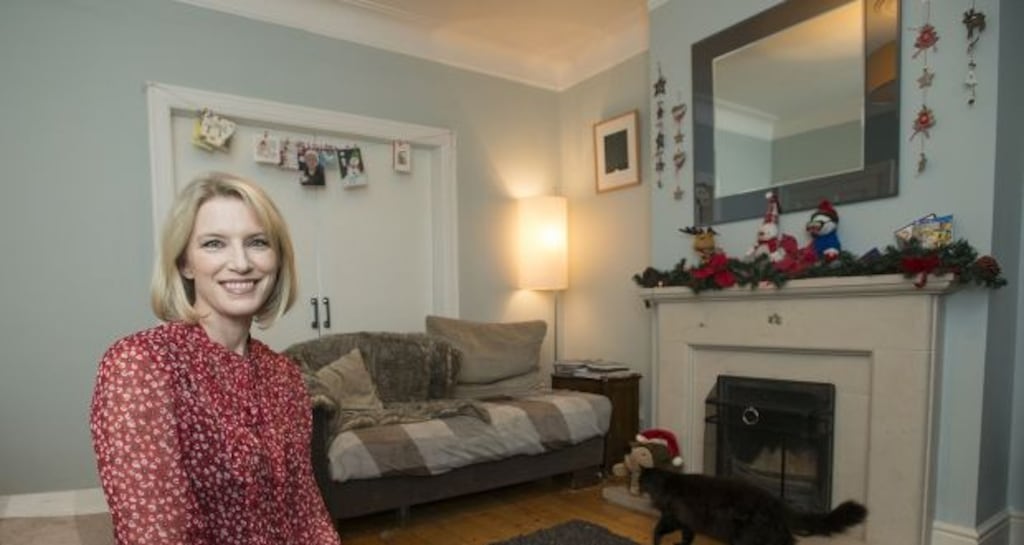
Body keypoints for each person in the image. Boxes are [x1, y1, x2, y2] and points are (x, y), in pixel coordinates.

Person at [90, 173, 341, 545]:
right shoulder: (140, 365)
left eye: (257, 243)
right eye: (214, 244)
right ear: (185, 263)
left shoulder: (285, 375)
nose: (240, 263)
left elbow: (305, 511)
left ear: (277, 259)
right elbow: (156, 535)